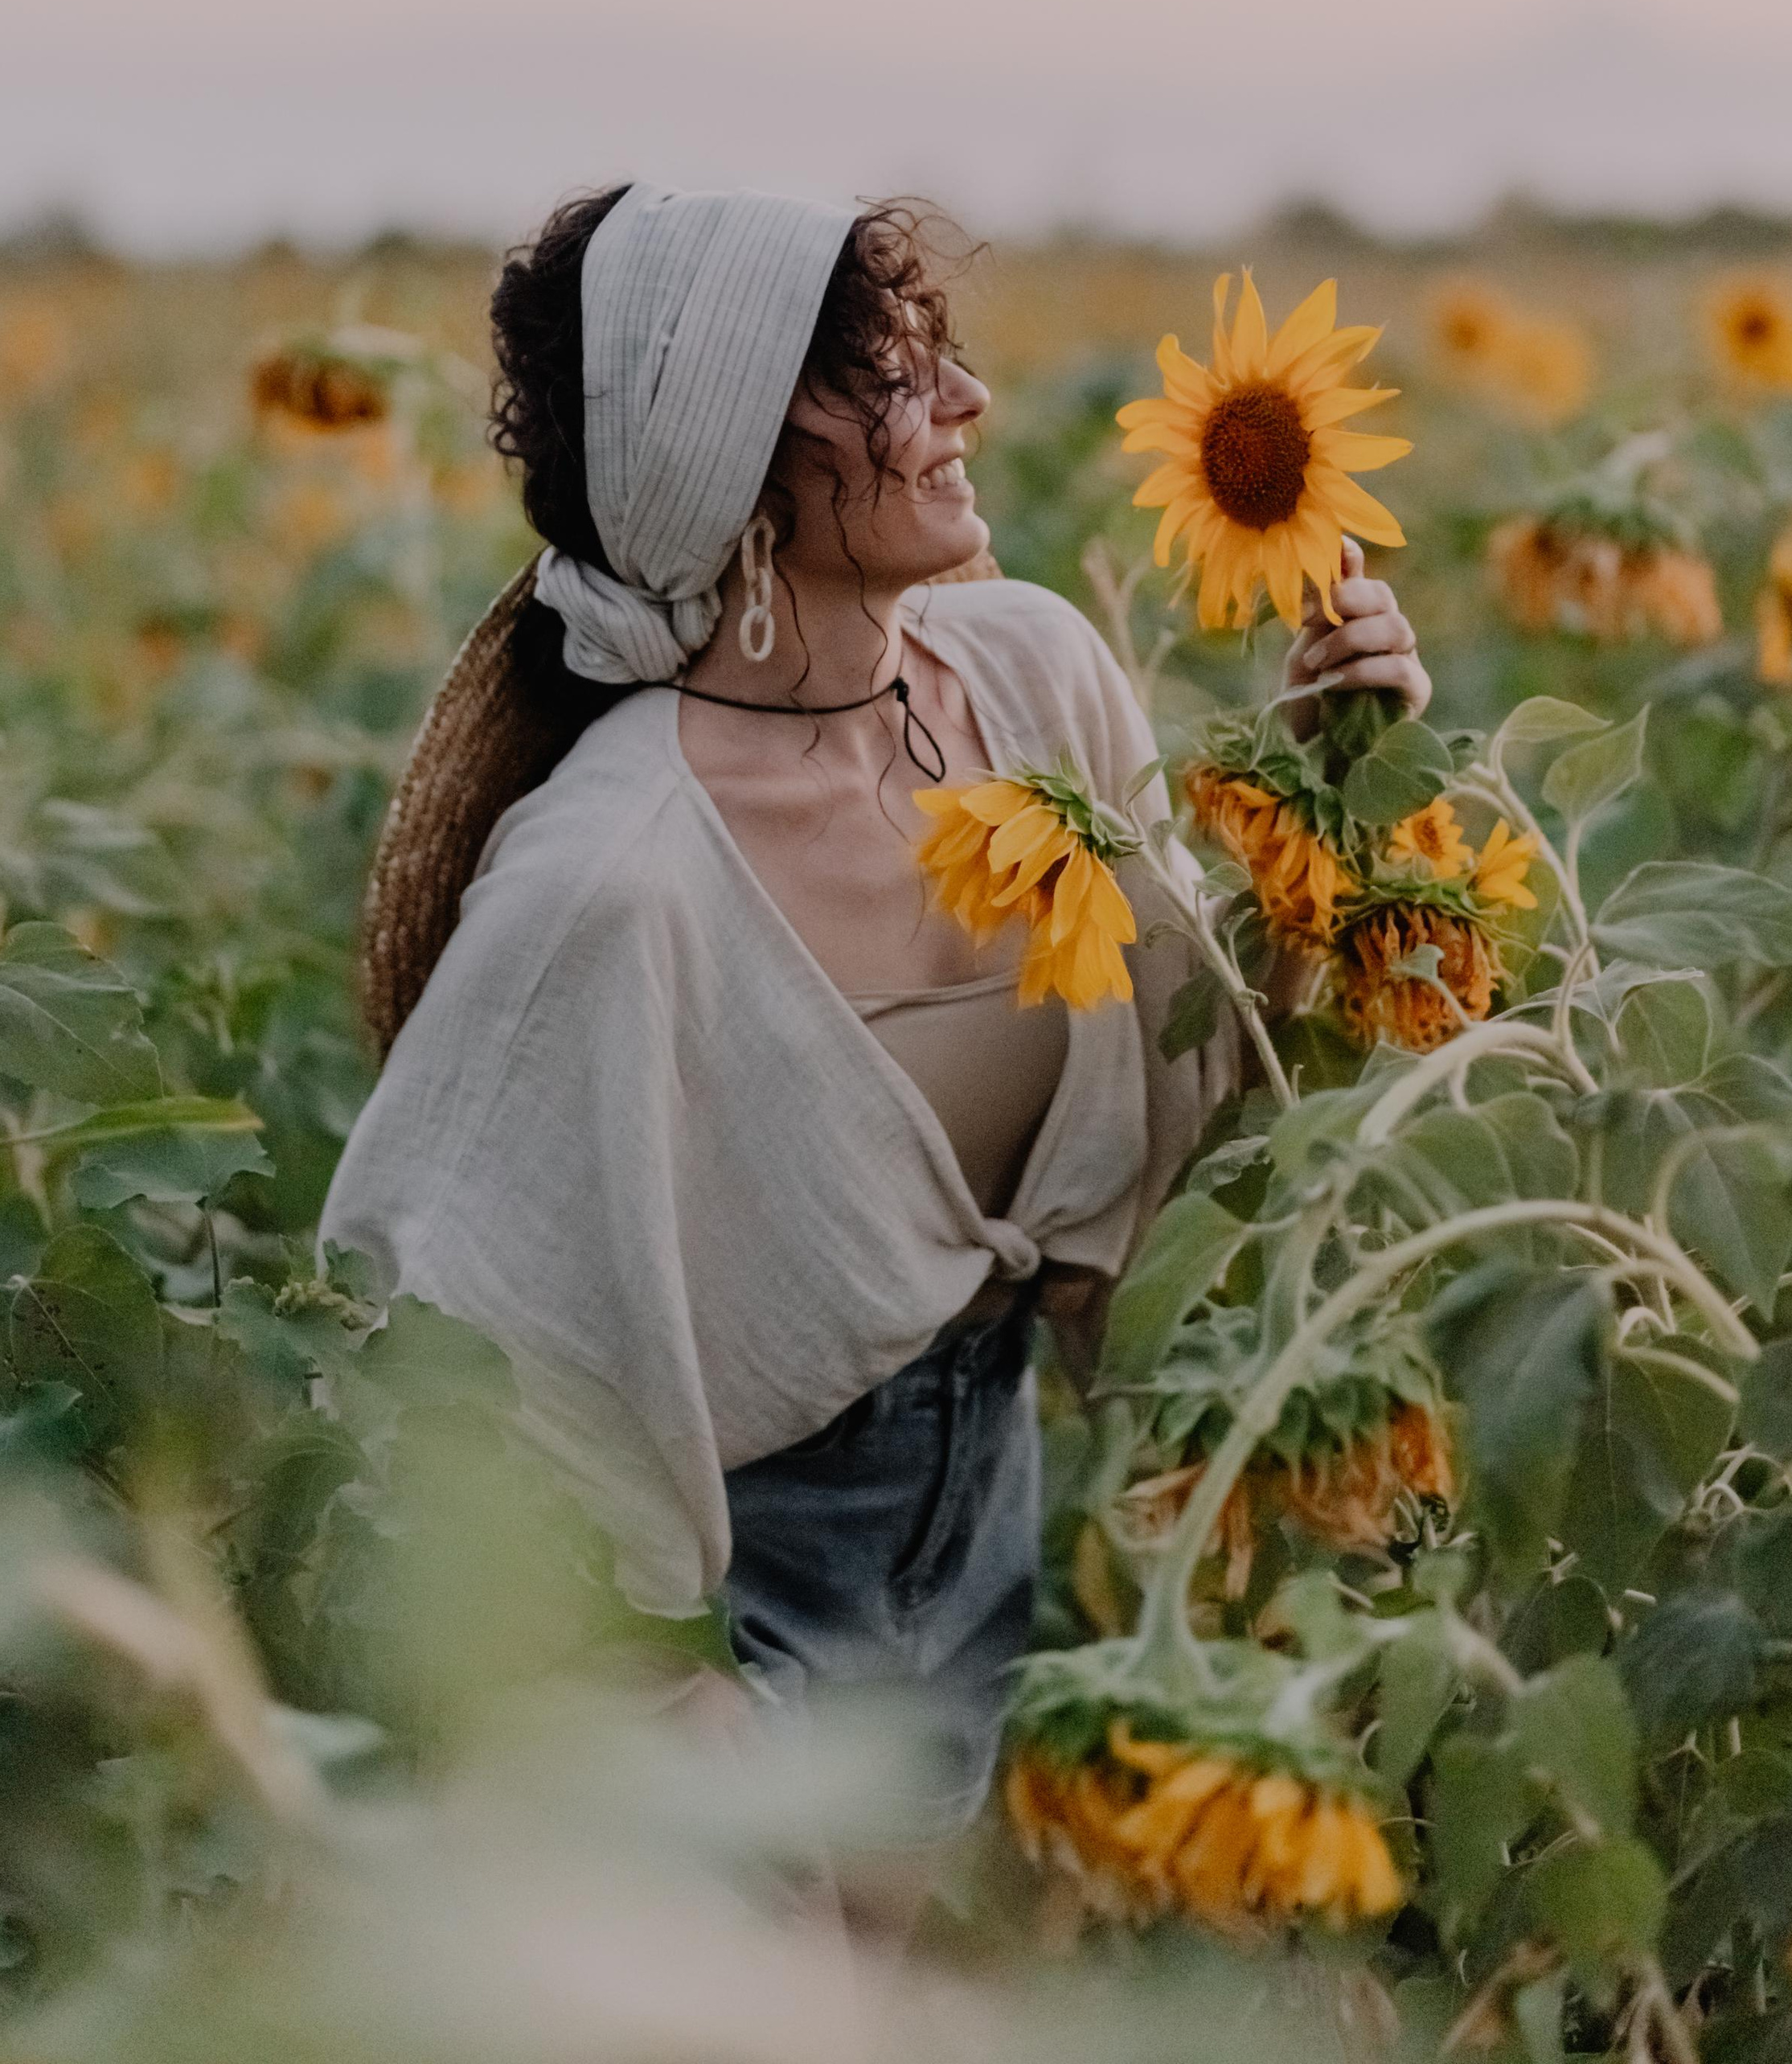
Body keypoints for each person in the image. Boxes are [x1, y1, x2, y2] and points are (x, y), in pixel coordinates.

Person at [321, 182, 1429, 1840]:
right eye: (894, 380)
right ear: (735, 462)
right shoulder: (614, 879)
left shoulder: (1029, 679)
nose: (966, 405)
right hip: (739, 1608)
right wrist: (645, 1694)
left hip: (992, 1532)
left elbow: (1204, 1109)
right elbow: (410, 1344)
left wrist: (1317, 797)